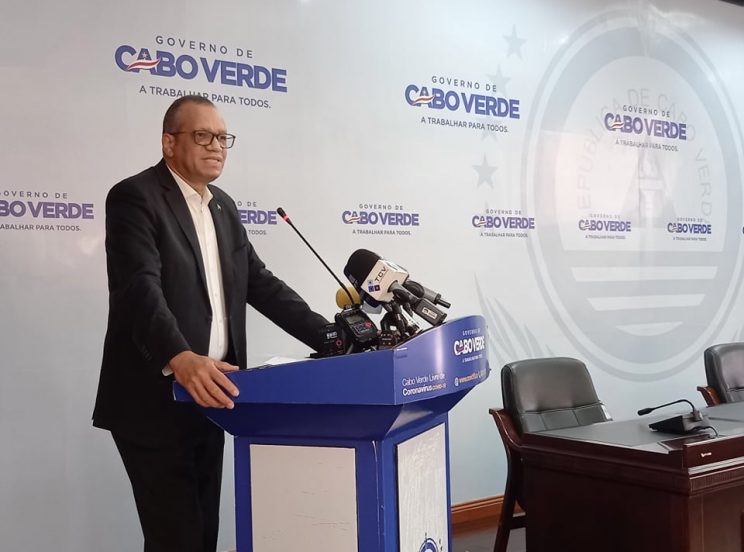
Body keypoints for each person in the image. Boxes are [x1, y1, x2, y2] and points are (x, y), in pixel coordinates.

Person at [92, 95, 328, 552]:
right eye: (203, 136)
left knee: (203, 533)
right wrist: (179, 357)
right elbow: (138, 289)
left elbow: (260, 285)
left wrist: (333, 338)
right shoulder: (135, 197)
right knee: (175, 538)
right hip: (155, 399)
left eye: (222, 138)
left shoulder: (223, 206)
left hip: (214, 394)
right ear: (169, 143)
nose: (216, 146)